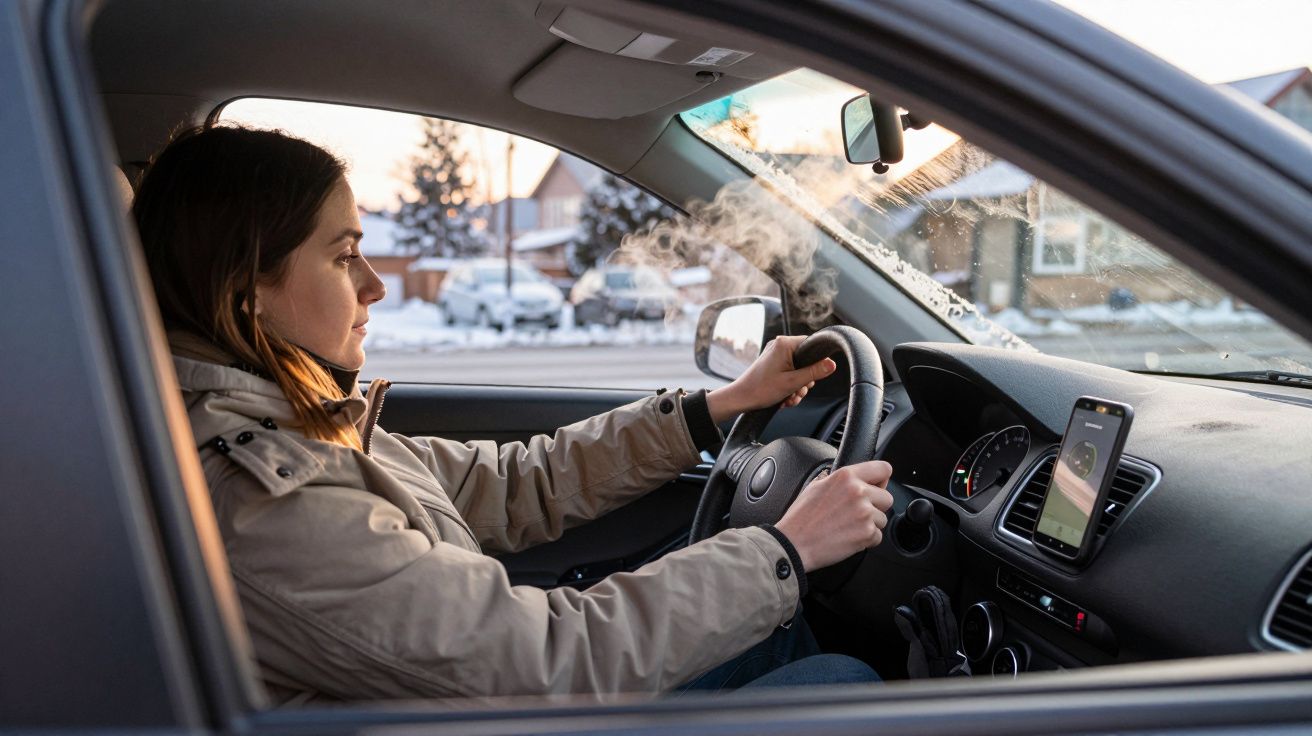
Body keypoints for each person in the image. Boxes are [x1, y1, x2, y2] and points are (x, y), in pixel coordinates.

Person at [134, 124, 896, 705]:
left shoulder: (297, 424)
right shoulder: (263, 499)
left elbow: (513, 483)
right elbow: (543, 661)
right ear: (247, 291)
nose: (376, 285)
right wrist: (784, 549)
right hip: (516, 704)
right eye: (342, 257)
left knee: (783, 634)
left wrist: (717, 408)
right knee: (844, 681)